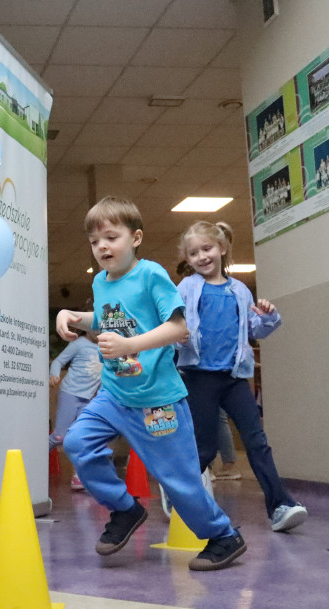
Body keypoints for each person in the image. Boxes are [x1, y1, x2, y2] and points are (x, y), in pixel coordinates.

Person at [56, 196, 245, 571]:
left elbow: (178, 328)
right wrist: (74, 315)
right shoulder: (101, 282)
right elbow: (110, 318)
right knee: (77, 442)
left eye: (111, 237)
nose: (102, 247)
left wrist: (129, 346)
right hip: (114, 394)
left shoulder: (151, 275)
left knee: (177, 480)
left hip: (157, 399)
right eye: (95, 242)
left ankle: (224, 536)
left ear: (136, 238)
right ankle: (125, 509)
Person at [176, 220, 307, 532]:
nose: (201, 256)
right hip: (199, 377)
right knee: (205, 448)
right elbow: (173, 323)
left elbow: (253, 329)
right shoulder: (186, 288)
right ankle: (179, 493)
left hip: (234, 378)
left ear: (222, 248)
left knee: (257, 441)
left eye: (207, 248)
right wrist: (177, 337)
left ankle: (280, 505)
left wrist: (269, 317)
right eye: (193, 253)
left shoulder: (239, 291)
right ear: (188, 258)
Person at [48, 328, 101, 491]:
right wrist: (54, 374)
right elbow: (58, 361)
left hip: (88, 398)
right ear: (86, 328)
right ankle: (31, 461)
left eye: (101, 327)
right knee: (59, 436)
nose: (98, 331)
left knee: (82, 438)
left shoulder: (106, 347)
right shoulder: (78, 344)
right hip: (70, 393)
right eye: (94, 327)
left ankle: (78, 477)